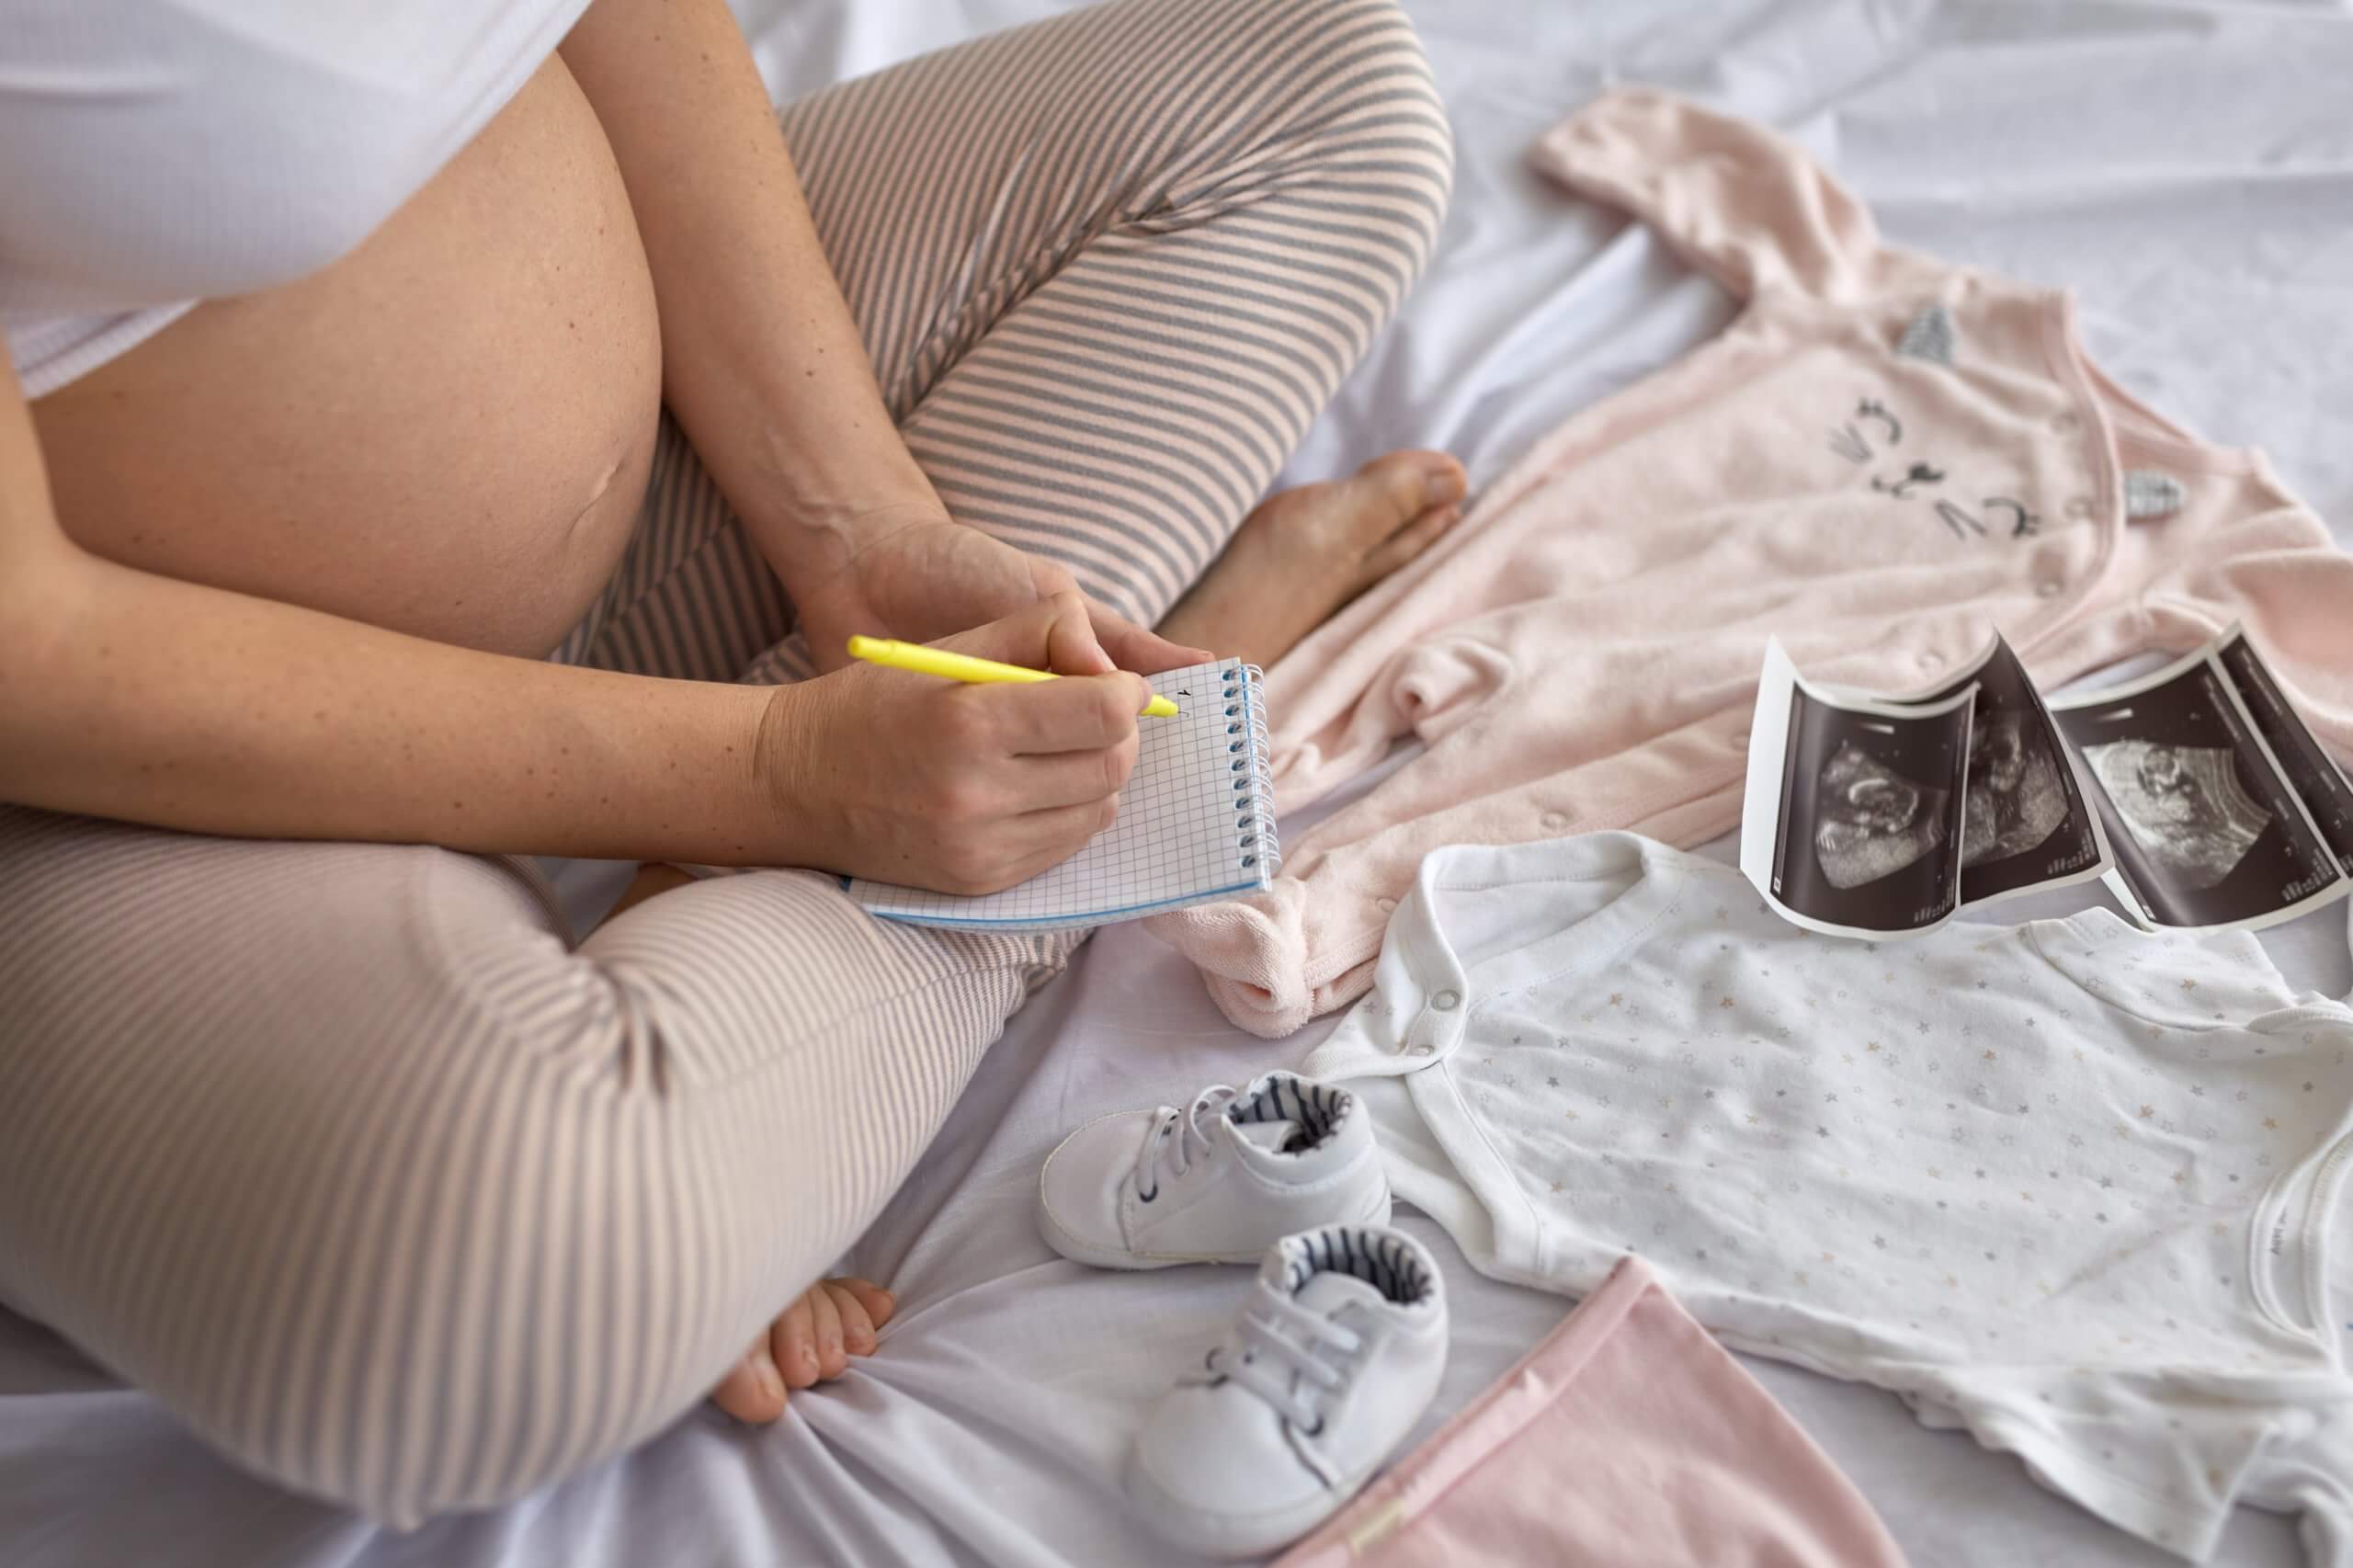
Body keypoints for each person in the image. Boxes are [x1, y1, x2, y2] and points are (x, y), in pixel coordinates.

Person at [0, 0, 1457, 1524]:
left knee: (1315, 101)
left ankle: (774, 995)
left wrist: (857, 523)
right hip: (134, 778)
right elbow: (28, 653)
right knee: (484, 1271)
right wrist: (768, 773)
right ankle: (1073, 812)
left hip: (674, 478)